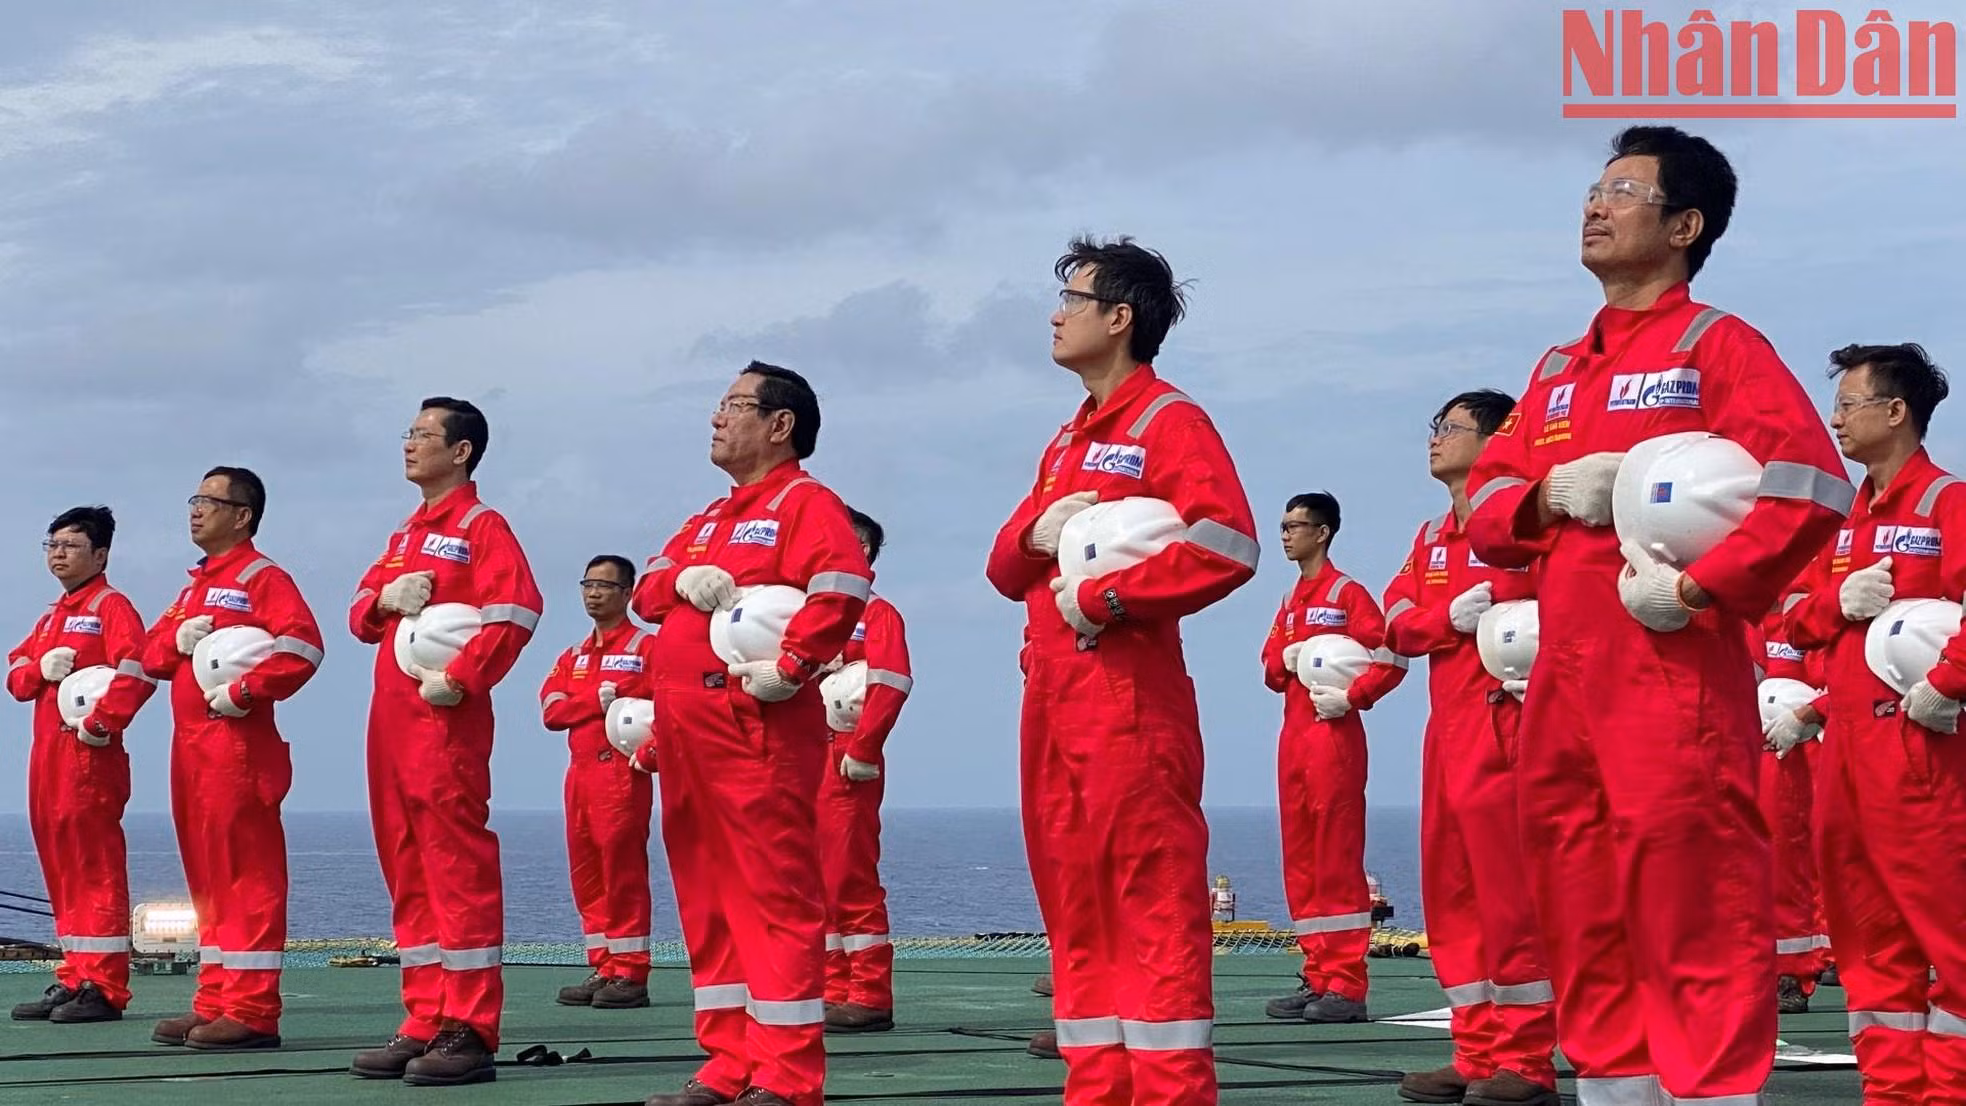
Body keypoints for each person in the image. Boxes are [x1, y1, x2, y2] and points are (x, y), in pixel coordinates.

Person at [1464, 126, 1853, 1105]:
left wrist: (1699, 587)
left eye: (1624, 191)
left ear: (1683, 224)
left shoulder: (1713, 345)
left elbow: (1809, 487)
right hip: (1567, 678)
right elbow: (1487, 511)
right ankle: (1611, 1087)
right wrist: (1550, 496)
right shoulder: (1558, 367)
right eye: (1593, 189)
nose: (1595, 205)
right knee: (1580, 897)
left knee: (1693, 897)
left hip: (1670, 672)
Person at [986, 235, 1260, 1106]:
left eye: (1072, 297)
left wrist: (1110, 597)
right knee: (1073, 898)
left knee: (1150, 896)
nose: (1056, 313)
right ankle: (1096, 1086)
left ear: (1119, 317)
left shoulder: (1169, 422)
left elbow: (1228, 544)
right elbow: (1002, 570)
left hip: (1128, 695)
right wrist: (1035, 534)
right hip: (1054, 697)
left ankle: (1171, 1089)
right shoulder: (1067, 439)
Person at [632, 361, 871, 1106]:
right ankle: (729, 1061)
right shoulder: (709, 518)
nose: (716, 418)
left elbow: (842, 588)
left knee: (774, 899)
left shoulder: (808, 504)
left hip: (751, 728)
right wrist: (677, 582)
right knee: (707, 902)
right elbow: (646, 592)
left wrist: (796, 664)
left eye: (734, 405)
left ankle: (789, 1073)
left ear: (779, 424)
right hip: (686, 733)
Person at [1782, 342, 1966, 1103]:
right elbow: (1793, 619)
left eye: (1849, 404)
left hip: (1922, 753)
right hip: (1849, 755)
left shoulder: (1947, 504)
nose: (1835, 421)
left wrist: (1949, 684)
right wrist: (1839, 602)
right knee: (1867, 943)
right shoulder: (1839, 526)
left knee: (1949, 936)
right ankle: (1892, 1092)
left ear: (1896, 412)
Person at [86, 469, 325, 1048]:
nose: (194, 511)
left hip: (238, 749)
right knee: (209, 881)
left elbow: (303, 646)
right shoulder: (196, 586)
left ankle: (252, 1009)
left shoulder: (263, 578)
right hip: (192, 749)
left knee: (247, 876)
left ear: (242, 515)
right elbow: (150, 653)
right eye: (193, 500)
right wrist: (179, 640)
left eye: (208, 502)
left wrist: (244, 691)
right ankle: (216, 998)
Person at [346, 396, 544, 1086]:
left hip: (442, 721)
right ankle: (424, 1016)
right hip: (391, 720)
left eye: (423, 434)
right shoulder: (405, 534)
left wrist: (461, 678)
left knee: (455, 869)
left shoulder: (481, 527)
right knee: (406, 868)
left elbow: (517, 610)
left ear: (460, 451)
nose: (408, 443)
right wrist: (384, 600)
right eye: (408, 431)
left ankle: (469, 1027)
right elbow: (358, 615)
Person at [1382, 393, 1559, 1105]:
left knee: (1511, 899)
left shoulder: (1523, 534)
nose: (1435, 438)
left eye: (1450, 428)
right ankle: (1477, 1050)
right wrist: (1442, 620)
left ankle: (1526, 1060)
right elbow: (1393, 620)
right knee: (1453, 899)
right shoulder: (1430, 537)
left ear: (1494, 442)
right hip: (1447, 733)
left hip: (1507, 727)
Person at [1258, 491, 1406, 1025]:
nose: (1284, 534)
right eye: (1282, 524)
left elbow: (1392, 652)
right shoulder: (1291, 600)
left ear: (1322, 533)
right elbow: (1270, 668)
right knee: (1301, 860)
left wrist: (1353, 696)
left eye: (1294, 526)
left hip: (1333, 736)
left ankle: (1346, 983)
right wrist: (1286, 656)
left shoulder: (1347, 593)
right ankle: (1318, 973)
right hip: (1294, 739)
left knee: (1336, 857)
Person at [6, 506, 156, 1025]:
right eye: (52, 544)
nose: (59, 553)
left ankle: (105, 985)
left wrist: (101, 724)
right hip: (47, 759)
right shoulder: (52, 616)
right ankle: (75, 974)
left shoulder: (112, 608)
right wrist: (38, 668)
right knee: (62, 869)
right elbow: (16, 677)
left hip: (88, 756)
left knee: (95, 868)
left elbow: (139, 671)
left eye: (71, 544)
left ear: (101, 554)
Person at [539, 554, 661, 1011]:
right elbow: (552, 711)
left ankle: (631, 972)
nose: (593, 593)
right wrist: (598, 698)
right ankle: (605, 963)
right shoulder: (572, 656)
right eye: (587, 584)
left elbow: (669, 708)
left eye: (605, 586)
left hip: (621, 772)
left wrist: (651, 756)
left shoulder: (646, 650)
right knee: (587, 870)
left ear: (627, 593)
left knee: (622, 869)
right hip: (580, 772)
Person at [818, 508, 914, 1034]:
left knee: (848, 874)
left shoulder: (877, 615)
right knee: (813, 880)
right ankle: (832, 989)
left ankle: (869, 993)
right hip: (800, 757)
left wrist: (865, 747)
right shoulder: (801, 610)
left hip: (844, 754)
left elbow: (890, 680)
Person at [1753, 583, 1832, 1017]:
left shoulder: (1803, 614)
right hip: (1754, 746)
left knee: (1798, 858)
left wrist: (1808, 713)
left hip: (1805, 748)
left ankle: (1797, 969)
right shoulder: (1746, 621)